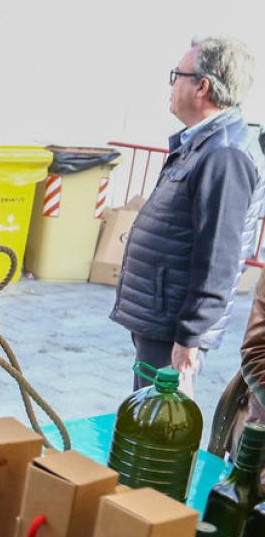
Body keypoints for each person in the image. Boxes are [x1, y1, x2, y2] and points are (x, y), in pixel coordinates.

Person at [111, 36, 265, 400]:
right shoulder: (202, 144)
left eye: (177, 74)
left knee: (162, 429)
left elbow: (220, 257)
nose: (171, 84)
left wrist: (190, 335)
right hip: (163, 316)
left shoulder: (224, 153)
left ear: (203, 86)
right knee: (148, 418)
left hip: (174, 327)